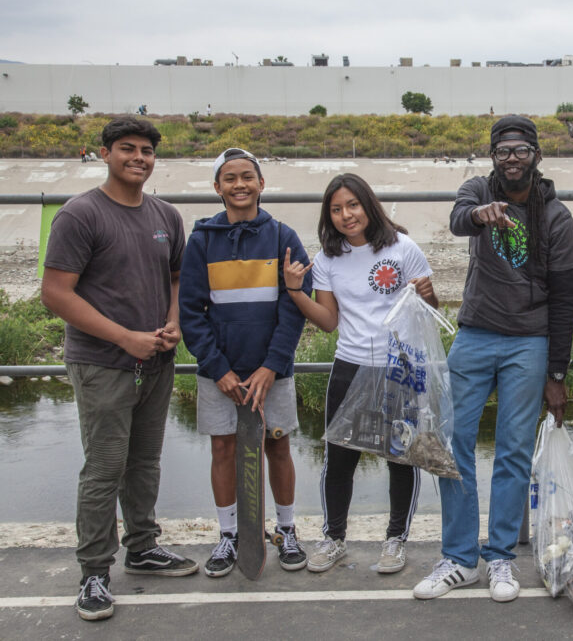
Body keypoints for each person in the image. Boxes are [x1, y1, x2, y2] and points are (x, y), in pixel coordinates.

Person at [413, 116, 573, 603]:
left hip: (529, 341)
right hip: (476, 334)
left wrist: (556, 371)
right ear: (492, 156)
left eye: (521, 150)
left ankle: (501, 557)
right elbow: (459, 218)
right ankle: (460, 559)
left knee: (511, 450)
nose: (512, 158)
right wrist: (482, 215)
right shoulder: (477, 190)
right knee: (451, 444)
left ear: (536, 156)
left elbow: (567, 296)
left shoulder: (556, 216)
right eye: (503, 150)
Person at [41, 117, 196, 622]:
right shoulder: (80, 215)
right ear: (103, 153)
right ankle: (93, 571)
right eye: (127, 148)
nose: (139, 157)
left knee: (144, 463)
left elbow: (175, 278)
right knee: (105, 467)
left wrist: (172, 322)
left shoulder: (166, 215)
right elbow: (55, 294)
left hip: (157, 361)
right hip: (103, 363)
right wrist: (124, 336)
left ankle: (143, 546)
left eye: (147, 150)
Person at [282, 173, 436, 576]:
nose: (346, 215)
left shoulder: (404, 249)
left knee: (401, 458)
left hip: (398, 367)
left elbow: (430, 312)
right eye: (336, 209)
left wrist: (428, 295)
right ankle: (334, 538)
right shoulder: (328, 259)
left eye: (353, 205)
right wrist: (296, 291)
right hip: (348, 366)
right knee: (339, 459)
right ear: (328, 215)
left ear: (368, 205)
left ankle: (395, 539)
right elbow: (329, 322)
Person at [178, 148, 311, 578]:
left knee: (278, 445)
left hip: (272, 372)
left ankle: (287, 530)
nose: (240, 185)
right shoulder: (201, 241)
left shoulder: (283, 236)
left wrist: (272, 366)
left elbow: (294, 309)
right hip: (222, 374)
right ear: (217, 187)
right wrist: (218, 368)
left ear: (262, 183)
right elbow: (191, 312)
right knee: (223, 447)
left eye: (247, 177)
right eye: (230, 178)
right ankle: (230, 534)